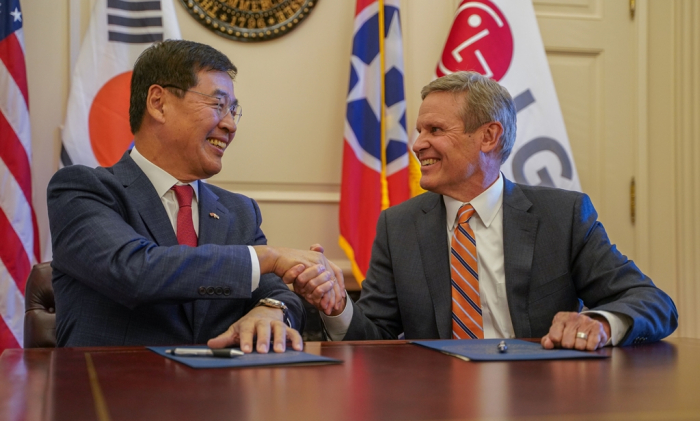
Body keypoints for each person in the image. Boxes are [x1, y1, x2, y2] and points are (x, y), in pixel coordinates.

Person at [299, 71, 677, 350]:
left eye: (434, 130)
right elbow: (376, 339)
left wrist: (599, 323)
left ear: (488, 136)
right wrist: (338, 307)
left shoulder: (563, 216)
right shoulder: (398, 225)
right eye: (419, 131)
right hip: (436, 398)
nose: (417, 144)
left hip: (542, 396)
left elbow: (655, 303)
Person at [47, 40, 344, 353]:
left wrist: (269, 310)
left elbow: (275, 292)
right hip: (111, 395)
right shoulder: (82, 189)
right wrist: (269, 257)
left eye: (233, 110)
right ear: (158, 103)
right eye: (218, 105)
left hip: (219, 397)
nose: (230, 124)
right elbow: (134, 271)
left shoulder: (239, 211)